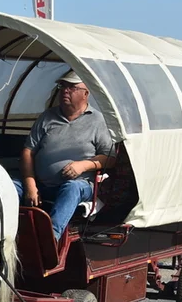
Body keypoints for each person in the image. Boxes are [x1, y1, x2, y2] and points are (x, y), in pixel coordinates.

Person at [14, 69, 114, 240]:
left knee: (72, 188)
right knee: (10, 186)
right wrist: (30, 184)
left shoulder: (98, 121)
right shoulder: (47, 117)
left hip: (78, 185)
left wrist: (83, 165)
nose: (65, 91)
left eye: (71, 87)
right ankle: (3, 233)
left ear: (85, 93)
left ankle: (51, 238)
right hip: (40, 184)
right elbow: (28, 151)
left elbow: (110, 158)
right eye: (62, 86)